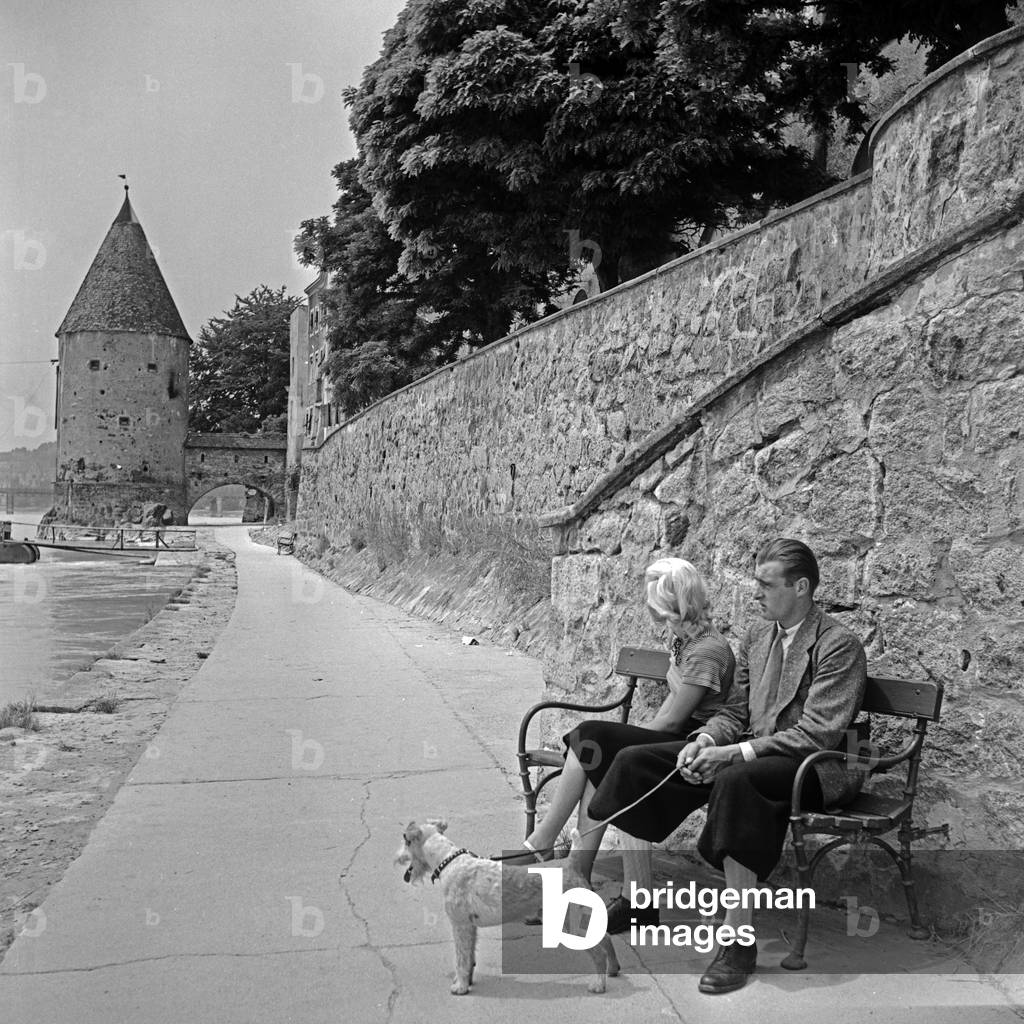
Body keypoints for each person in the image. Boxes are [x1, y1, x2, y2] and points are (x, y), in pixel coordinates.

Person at [586, 537, 868, 994]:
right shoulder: (758, 636)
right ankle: (638, 900)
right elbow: (734, 712)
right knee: (637, 760)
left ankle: (738, 942)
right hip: (752, 754)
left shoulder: (838, 646)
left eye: (765, 584)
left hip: (814, 766)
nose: (754, 593)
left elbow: (817, 733)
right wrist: (702, 742)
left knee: (738, 779)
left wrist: (733, 753)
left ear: (801, 587)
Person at [511, 558, 735, 907]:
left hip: (694, 745)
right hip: (676, 736)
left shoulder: (708, 649)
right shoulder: (686, 639)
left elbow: (675, 721)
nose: (653, 614)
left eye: (658, 607)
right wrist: (631, 736)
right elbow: (671, 708)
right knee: (596, 759)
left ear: (677, 606)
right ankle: (576, 876)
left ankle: (544, 842)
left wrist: (632, 736)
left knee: (590, 738)